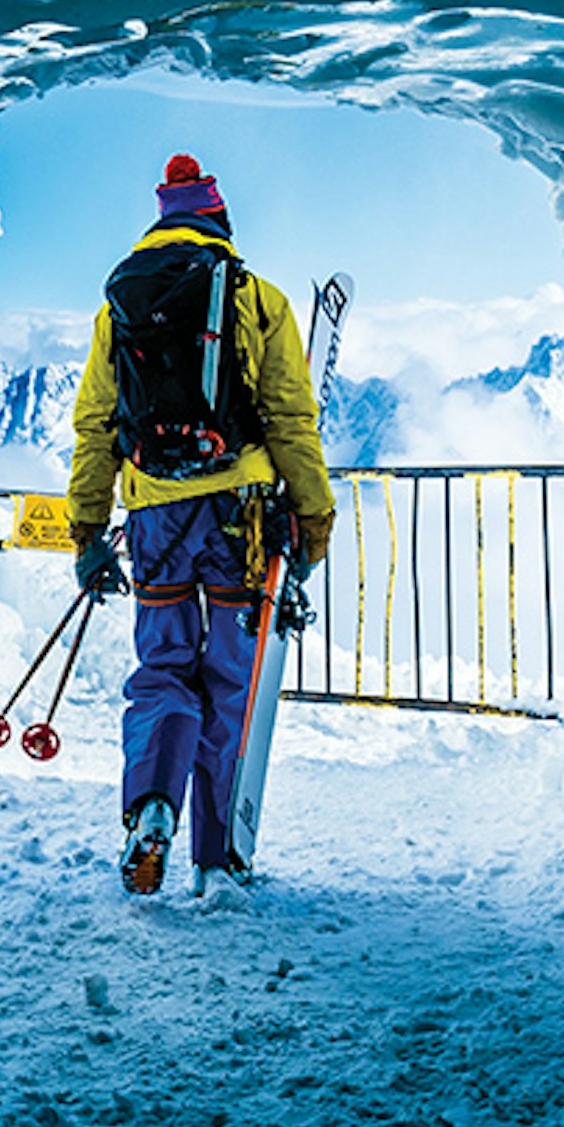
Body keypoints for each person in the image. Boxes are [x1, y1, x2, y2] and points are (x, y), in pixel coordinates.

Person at [67, 153, 336, 896]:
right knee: (229, 678)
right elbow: (290, 418)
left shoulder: (117, 307)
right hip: (237, 518)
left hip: (154, 515)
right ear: (219, 220)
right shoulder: (258, 298)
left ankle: (153, 806)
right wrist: (313, 517)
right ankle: (216, 854)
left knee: (163, 668)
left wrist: (87, 531)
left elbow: (95, 424)